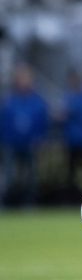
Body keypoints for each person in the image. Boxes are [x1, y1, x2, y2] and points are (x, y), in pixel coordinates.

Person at [0, 64, 49, 206]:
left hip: (31, 145)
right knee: (9, 175)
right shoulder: (9, 101)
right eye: (21, 78)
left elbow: (43, 122)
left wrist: (40, 139)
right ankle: (8, 202)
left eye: (26, 78)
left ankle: (29, 202)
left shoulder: (38, 101)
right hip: (11, 144)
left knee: (31, 177)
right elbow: (4, 121)